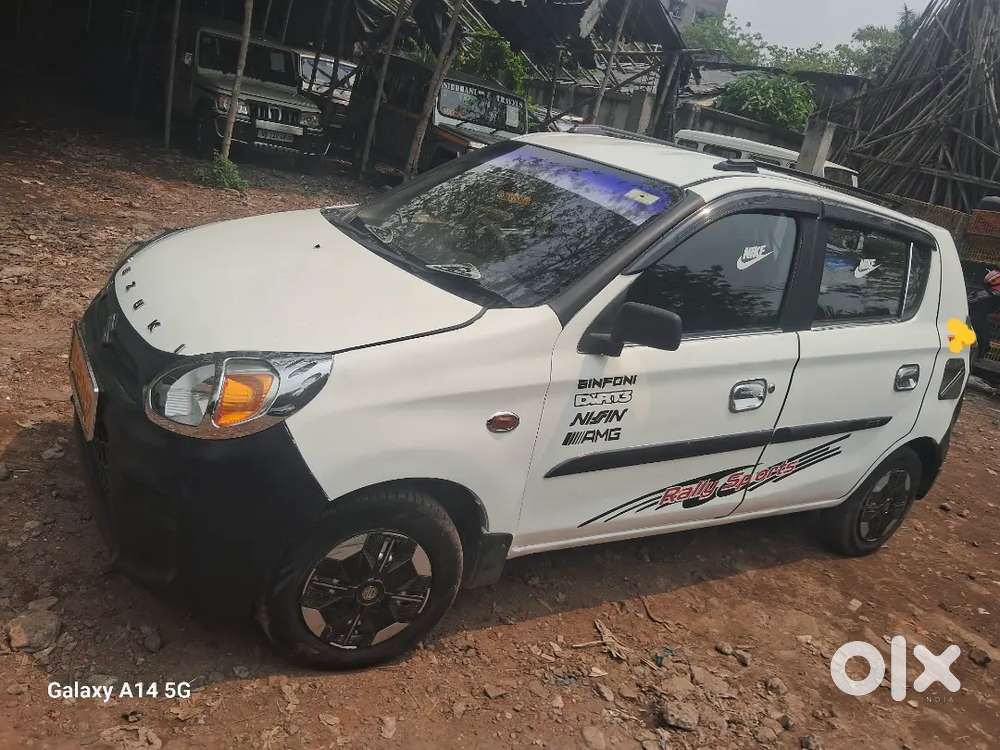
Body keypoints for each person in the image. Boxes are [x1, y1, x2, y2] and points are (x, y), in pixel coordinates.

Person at [969, 269, 1000, 360]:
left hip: (979, 316)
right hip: (977, 316)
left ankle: (980, 353)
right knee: (982, 339)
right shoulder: (986, 294)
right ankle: (979, 354)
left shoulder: (987, 294)